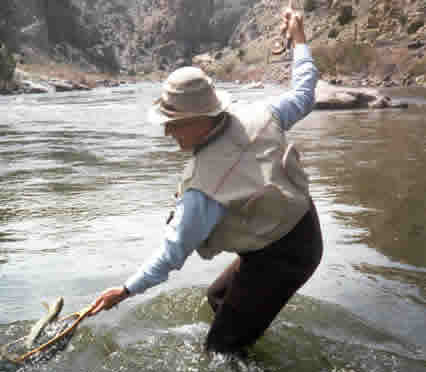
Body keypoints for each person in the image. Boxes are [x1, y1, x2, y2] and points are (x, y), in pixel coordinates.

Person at [89, 6, 323, 354]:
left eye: (174, 122)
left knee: (220, 349)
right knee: (218, 298)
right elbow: (305, 92)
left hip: (285, 254)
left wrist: (124, 291)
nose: (167, 131)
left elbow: (173, 252)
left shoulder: (204, 190)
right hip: (299, 231)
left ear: (202, 119)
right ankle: (249, 328)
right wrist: (299, 38)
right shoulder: (262, 113)